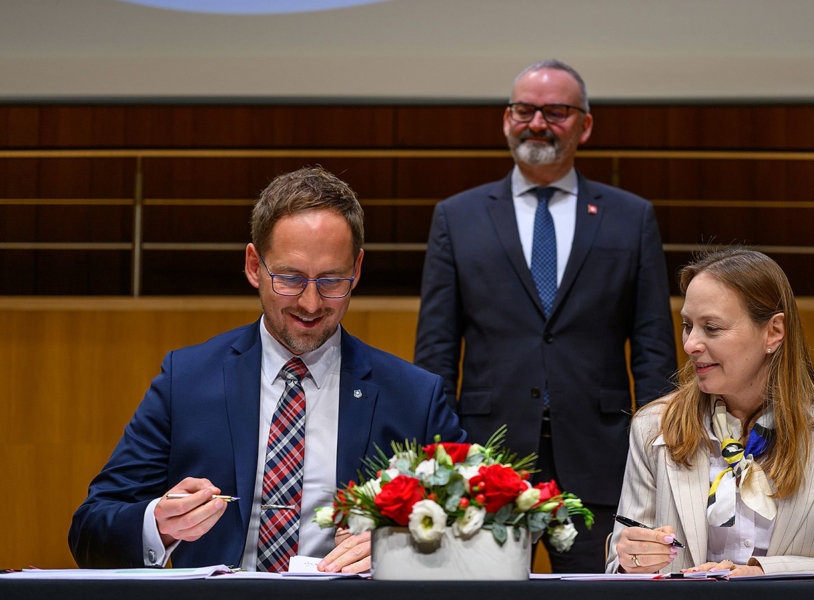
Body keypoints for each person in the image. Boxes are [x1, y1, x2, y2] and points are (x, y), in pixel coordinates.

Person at [69, 166, 464, 573]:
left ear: (357, 269)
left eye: (331, 281)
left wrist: (400, 546)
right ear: (254, 266)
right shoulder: (185, 380)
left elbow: (485, 527)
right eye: (290, 279)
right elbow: (90, 530)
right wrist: (160, 526)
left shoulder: (412, 396)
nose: (311, 304)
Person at [414, 59, 677, 572]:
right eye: (524, 110)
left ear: (585, 125)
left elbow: (653, 350)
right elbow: (436, 352)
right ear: (506, 118)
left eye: (555, 111)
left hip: (601, 461)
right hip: (485, 462)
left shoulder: (631, 217)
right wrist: (442, 459)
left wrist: (657, 457)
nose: (537, 123)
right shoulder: (457, 216)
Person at [606, 247, 814, 579]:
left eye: (711, 328)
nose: (690, 345)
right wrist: (630, 561)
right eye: (688, 325)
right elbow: (619, 571)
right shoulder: (653, 426)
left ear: (773, 331)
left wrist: (761, 576)